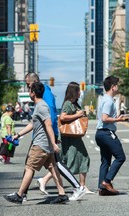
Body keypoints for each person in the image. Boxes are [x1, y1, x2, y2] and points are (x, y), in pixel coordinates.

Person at [24, 73, 86, 201]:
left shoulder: (45, 94)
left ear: (34, 83)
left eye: (28, 84)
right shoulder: (45, 92)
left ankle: (77, 187)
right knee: (53, 164)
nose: (27, 87)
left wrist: (52, 136)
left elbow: (50, 115)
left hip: (44, 135)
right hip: (45, 134)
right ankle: (63, 193)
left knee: (43, 164)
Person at [3, 82, 68, 204]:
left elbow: (48, 124)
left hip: (40, 145)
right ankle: (62, 193)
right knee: (53, 169)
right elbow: (33, 124)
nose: (29, 92)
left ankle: (19, 195)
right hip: (45, 145)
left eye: (30, 90)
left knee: (29, 167)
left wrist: (53, 143)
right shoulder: (39, 106)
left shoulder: (41, 106)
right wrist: (18, 135)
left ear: (33, 93)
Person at [95, 75, 126, 196]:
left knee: (106, 160)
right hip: (107, 133)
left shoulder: (104, 99)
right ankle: (107, 181)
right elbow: (104, 118)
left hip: (100, 133)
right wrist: (117, 119)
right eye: (117, 85)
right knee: (120, 157)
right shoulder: (108, 101)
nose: (118, 87)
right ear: (113, 87)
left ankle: (102, 188)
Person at [59, 82, 91, 195]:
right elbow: (63, 117)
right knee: (68, 162)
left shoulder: (75, 104)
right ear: (74, 92)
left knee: (83, 158)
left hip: (75, 137)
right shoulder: (68, 104)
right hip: (69, 138)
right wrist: (77, 115)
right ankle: (78, 186)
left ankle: (82, 186)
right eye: (78, 91)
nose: (80, 92)